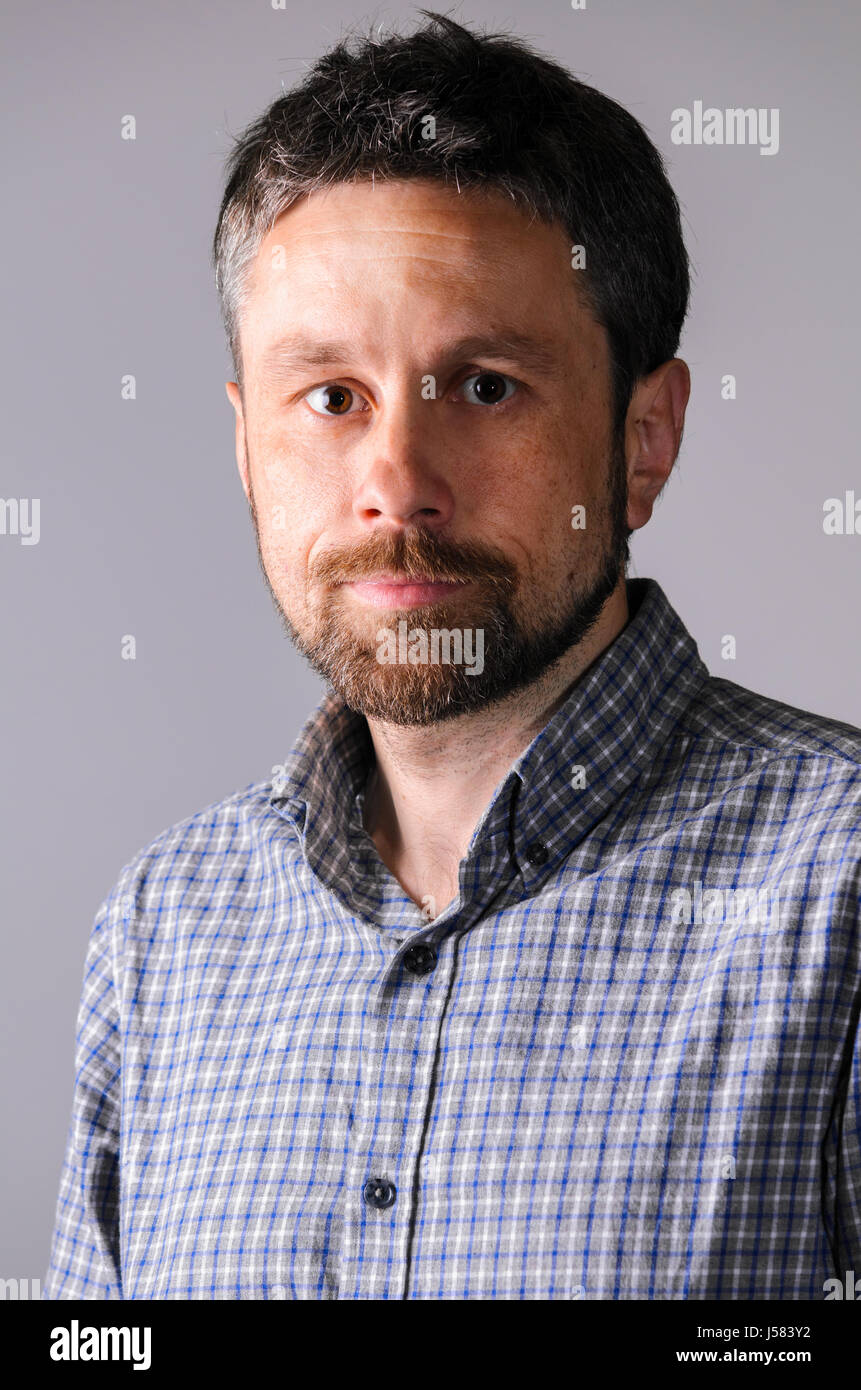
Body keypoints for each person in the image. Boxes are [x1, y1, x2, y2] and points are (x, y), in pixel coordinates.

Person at [45, 11, 860, 1300]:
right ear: (248, 445)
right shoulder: (162, 934)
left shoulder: (841, 892)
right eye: (331, 397)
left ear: (644, 440)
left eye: (483, 385)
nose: (397, 486)